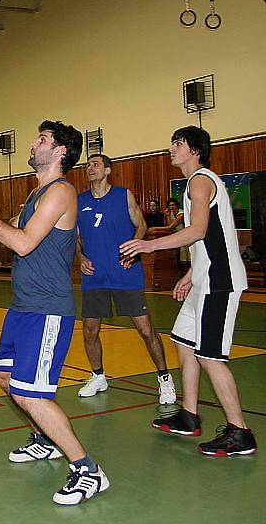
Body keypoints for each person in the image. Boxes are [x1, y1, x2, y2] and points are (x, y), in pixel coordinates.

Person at [0, 121, 110, 505]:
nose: (34, 144)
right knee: (6, 378)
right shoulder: (36, 192)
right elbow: (16, 237)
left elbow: (22, 244)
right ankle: (46, 438)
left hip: (47, 309)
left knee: (34, 395)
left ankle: (88, 469)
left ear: (59, 153)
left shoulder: (62, 191)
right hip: (23, 306)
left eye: (42, 140)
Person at [121, 126, 256, 456]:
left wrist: (149, 246)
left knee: (209, 356)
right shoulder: (196, 182)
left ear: (195, 150)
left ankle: (240, 432)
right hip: (205, 279)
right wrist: (192, 274)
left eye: (178, 143)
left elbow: (197, 230)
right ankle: (189, 415)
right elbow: (212, 237)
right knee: (183, 341)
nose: (171, 148)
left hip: (220, 282)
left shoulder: (200, 180)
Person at [75, 154, 176, 405]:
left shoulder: (123, 195)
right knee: (89, 330)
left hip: (124, 271)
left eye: (96, 164)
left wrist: (135, 249)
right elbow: (75, 237)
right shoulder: (79, 202)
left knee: (145, 329)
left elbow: (141, 226)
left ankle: (165, 378)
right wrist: (80, 258)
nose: (90, 168)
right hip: (94, 275)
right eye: (88, 165)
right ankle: (98, 376)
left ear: (108, 170)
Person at [149, 197, 189, 266]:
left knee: (185, 258)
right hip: (177, 236)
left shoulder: (181, 214)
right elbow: (169, 224)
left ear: (177, 205)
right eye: (170, 205)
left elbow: (170, 227)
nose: (171, 207)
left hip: (185, 236)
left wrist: (154, 228)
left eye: (173, 205)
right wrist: (167, 215)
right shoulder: (172, 213)